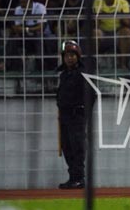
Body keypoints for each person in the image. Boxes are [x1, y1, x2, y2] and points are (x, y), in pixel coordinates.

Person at [56, 40, 92, 189]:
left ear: (78, 56)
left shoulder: (83, 74)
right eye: (67, 55)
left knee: (77, 147)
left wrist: (84, 113)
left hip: (77, 114)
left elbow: (91, 95)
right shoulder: (64, 75)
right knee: (67, 147)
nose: (69, 58)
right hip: (64, 116)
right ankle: (73, 177)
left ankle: (79, 178)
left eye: (72, 55)